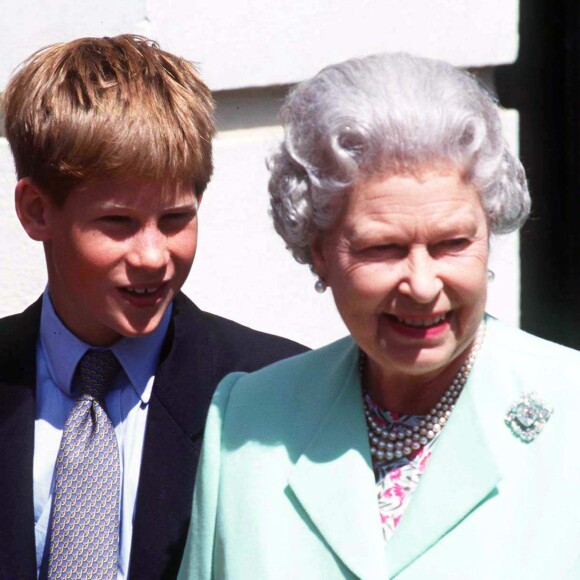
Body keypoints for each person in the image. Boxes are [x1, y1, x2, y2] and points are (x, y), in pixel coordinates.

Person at [179, 52, 580, 579]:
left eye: (453, 243)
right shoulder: (248, 420)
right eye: (383, 248)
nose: (421, 284)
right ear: (319, 250)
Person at [0, 34, 307, 579]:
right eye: (117, 223)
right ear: (35, 210)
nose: (152, 257)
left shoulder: (277, 393)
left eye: (175, 219)